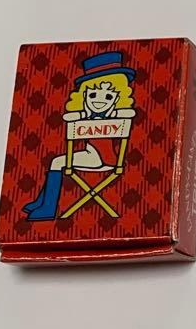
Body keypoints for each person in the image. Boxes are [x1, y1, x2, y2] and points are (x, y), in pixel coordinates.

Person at [22, 51, 137, 221]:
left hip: (103, 158)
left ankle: (48, 208)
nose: (99, 100)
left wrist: (119, 113)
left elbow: (128, 113)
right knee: (57, 162)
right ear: (83, 96)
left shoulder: (116, 115)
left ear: (117, 98)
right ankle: (42, 202)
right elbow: (71, 116)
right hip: (92, 154)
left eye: (108, 96)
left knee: (57, 162)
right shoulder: (86, 115)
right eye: (92, 95)